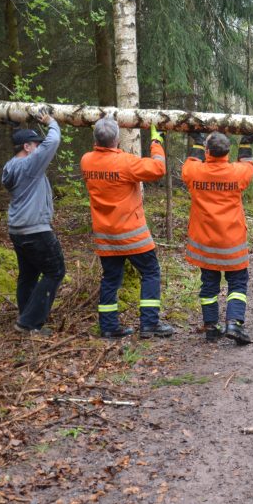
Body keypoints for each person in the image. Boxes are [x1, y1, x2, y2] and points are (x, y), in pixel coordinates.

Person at [80, 118, 173, 340]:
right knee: (150, 272)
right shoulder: (125, 163)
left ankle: (108, 327)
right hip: (132, 235)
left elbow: (102, 156)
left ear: (96, 139)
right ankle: (149, 323)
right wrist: (156, 142)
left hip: (106, 236)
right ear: (117, 140)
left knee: (110, 279)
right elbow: (158, 168)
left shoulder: (86, 161)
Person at [182, 130, 253, 344]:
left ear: (208, 151)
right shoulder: (237, 173)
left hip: (205, 242)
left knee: (209, 284)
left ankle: (211, 326)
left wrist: (198, 141)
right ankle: (234, 323)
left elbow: (192, 161)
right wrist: (246, 142)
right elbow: (247, 164)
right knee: (237, 282)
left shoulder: (194, 172)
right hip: (232, 241)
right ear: (227, 152)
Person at [2, 112, 65, 336]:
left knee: (28, 275)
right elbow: (53, 141)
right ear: (27, 147)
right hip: (34, 230)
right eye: (35, 145)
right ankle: (29, 322)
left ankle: (26, 319)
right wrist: (50, 122)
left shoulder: (10, 166)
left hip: (18, 230)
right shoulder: (29, 164)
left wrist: (15, 126)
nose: (39, 148)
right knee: (55, 271)